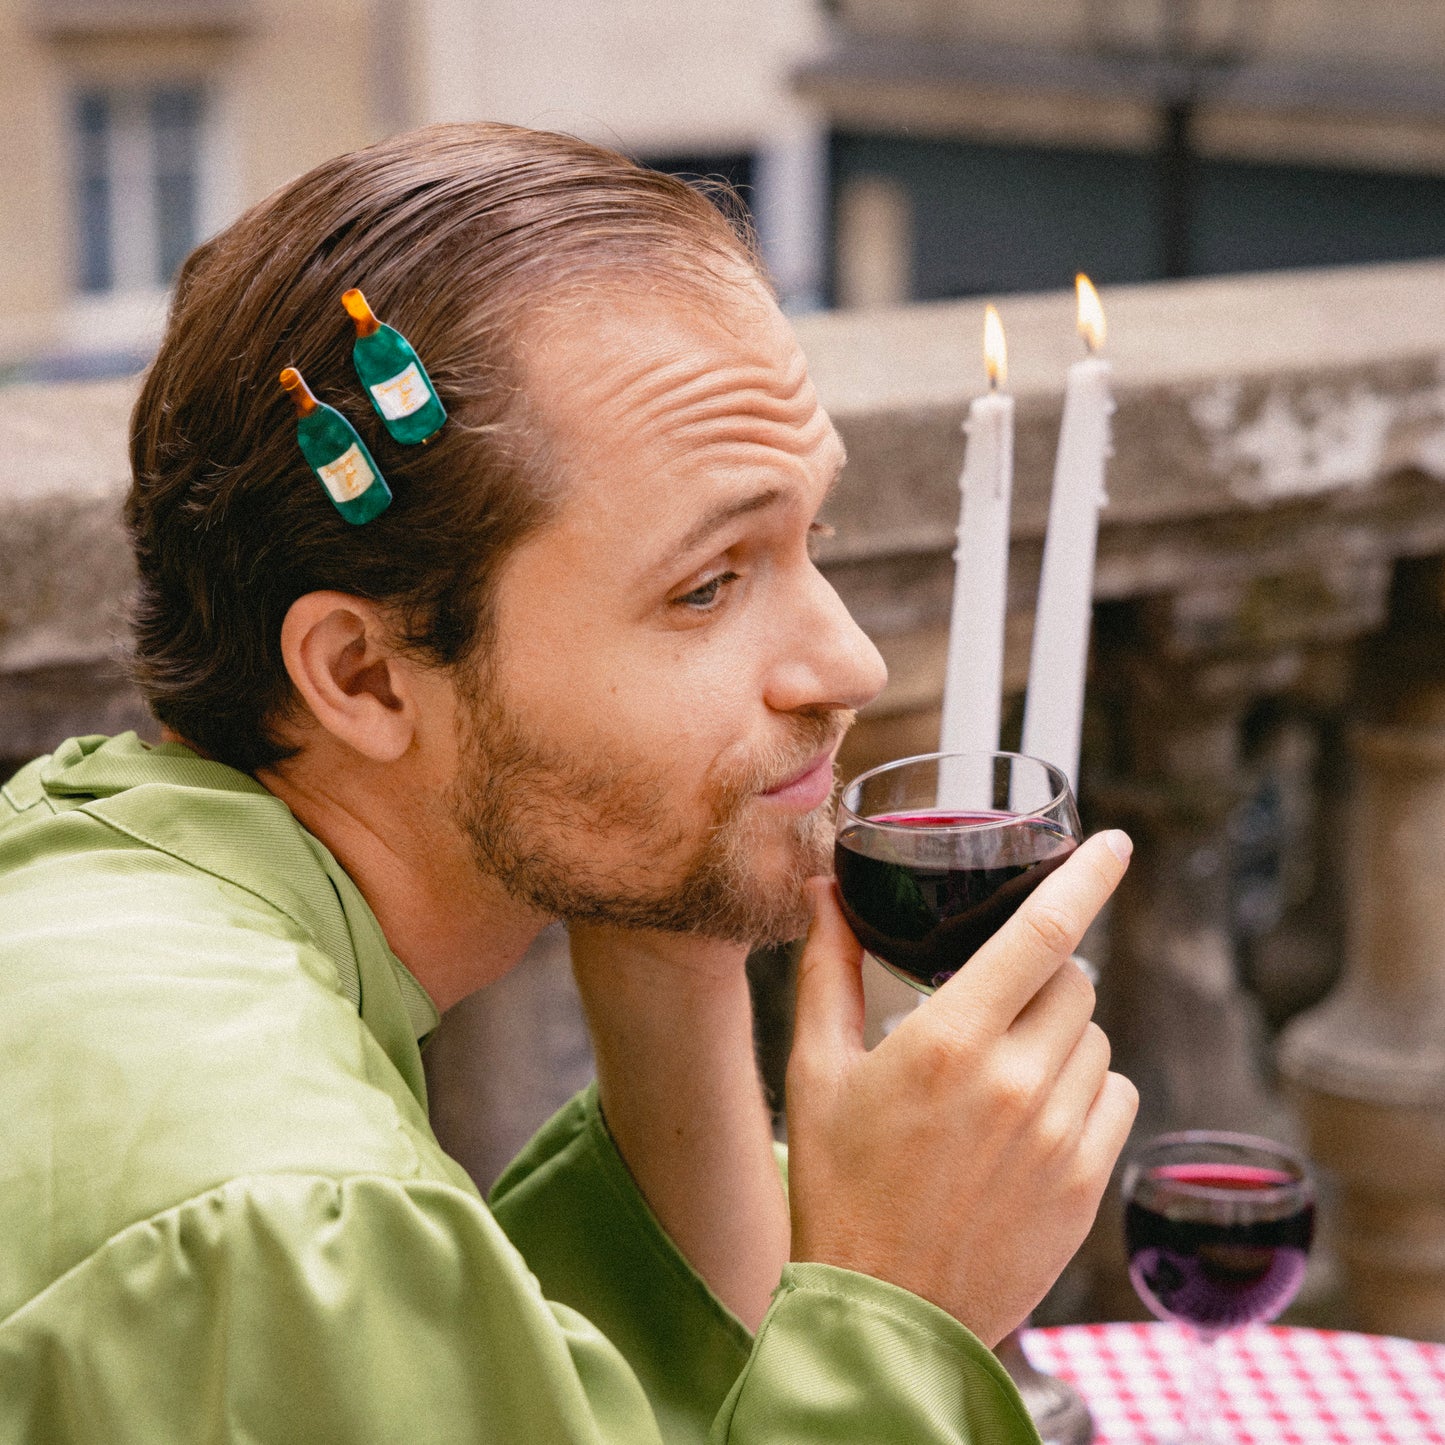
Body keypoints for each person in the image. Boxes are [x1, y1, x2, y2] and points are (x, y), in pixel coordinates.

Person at [0, 123, 1137, 1444]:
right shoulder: (283, 1213)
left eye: (805, 537)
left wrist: (676, 966)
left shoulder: (99, 874)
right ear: (363, 675)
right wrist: (899, 1309)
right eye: (704, 585)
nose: (851, 661)